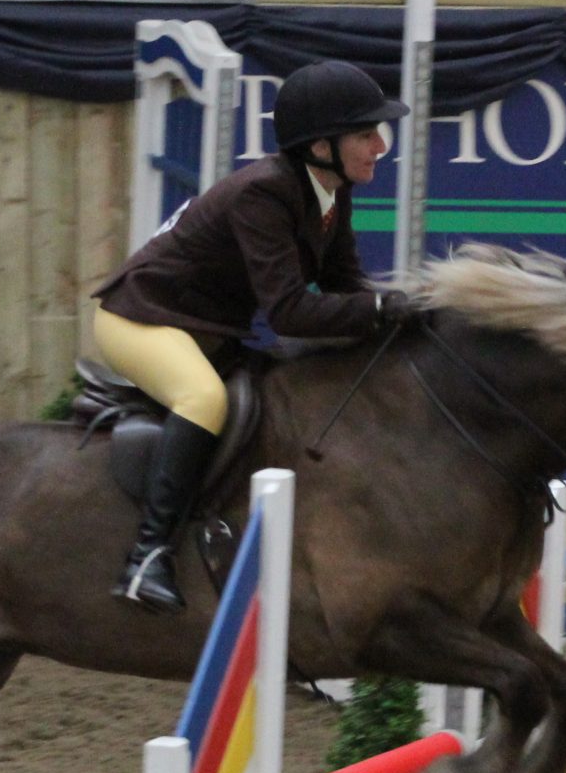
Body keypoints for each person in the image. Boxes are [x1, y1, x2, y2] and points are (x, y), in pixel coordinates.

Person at [90, 59, 418, 613]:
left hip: (202, 327)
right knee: (204, 399)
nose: (381, 146)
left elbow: (344, 285)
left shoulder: (331, 189)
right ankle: (146, 558)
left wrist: (399, 316)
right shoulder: (263, 194)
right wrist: (381, 308)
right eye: (366, 133)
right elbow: (289, 311)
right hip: (141, 319)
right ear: (320, 146)